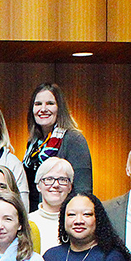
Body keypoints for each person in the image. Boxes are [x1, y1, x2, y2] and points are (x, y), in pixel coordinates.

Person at [23, 82, 93, 210]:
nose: (43, 109)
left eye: (50, 103)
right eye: (38, 104)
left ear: (60, 108)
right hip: (36, 215)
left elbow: (83, 191)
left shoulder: (73, 139)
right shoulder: (33, 144)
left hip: (62, 216)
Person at [28, 157, 75, 254]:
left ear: (70, 187)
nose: (56, 185)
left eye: (62, 179)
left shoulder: (76, 223)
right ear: (38, 186)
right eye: (49, 179)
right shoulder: (26, 221)